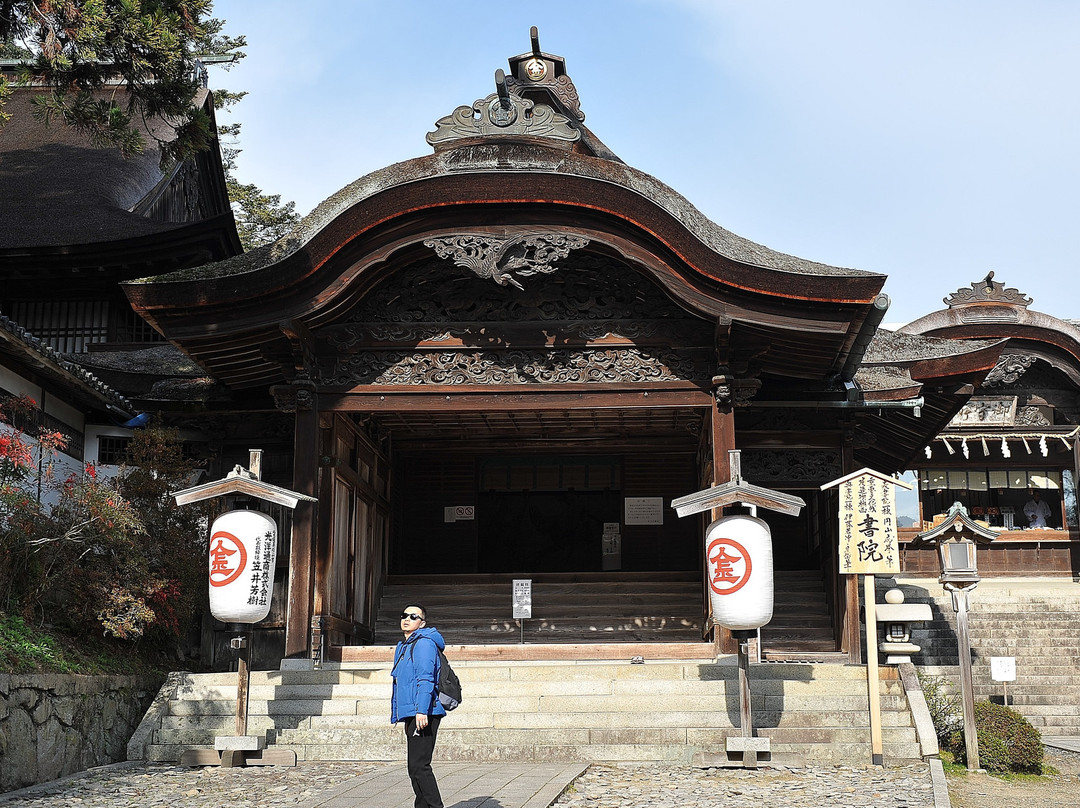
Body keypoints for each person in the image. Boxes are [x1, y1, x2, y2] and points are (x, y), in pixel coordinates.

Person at [391, 603, 445, 808]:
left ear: (422, 623)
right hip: (413, 712)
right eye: (404, 615)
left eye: (413, 616)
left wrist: (421, 710)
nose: (407, 619)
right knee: (414, 768)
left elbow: (426, 679)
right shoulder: (405, 646)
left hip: (425, 711)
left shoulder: (424, 643)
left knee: (419, 767)